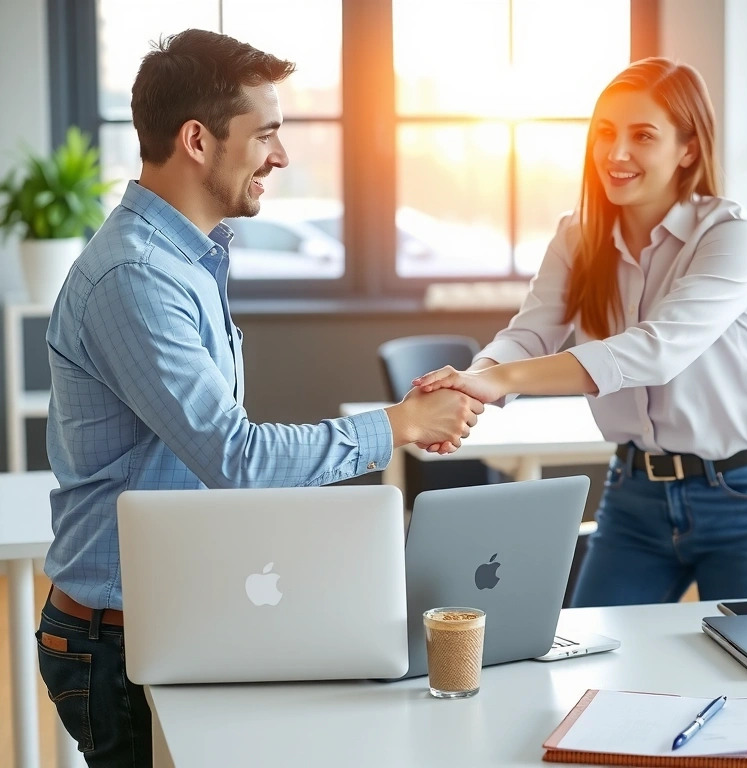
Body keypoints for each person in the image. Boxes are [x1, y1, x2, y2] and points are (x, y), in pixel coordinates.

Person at [36, 29, 482, 767]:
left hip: (172, 613)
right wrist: (398, 425)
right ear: (197, 141)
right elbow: (234, 458)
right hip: (116, 639)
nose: (281, 156)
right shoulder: (136, 279)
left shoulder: (189, 261)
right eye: (266, 134)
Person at [413, 57, 747, 608]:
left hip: (745, 495)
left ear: (689, 148)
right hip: (635, 497)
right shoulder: (578, 236)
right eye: (606, 133)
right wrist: (473, 379)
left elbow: (657, 350)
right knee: (595, 670)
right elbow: (530, 333)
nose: (616, 153)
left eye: (643, 135)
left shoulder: (731, 234)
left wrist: (499, 379)